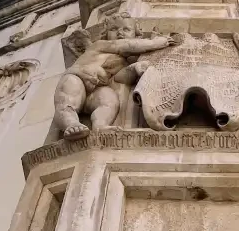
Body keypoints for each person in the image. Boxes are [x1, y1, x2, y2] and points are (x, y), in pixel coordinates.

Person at [54, 13, 173, 141]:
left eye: (126, 29)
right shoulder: (101, 45)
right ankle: (71, 123)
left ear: (136, 34)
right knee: (68, 99)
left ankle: (100, 125)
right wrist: (157, 43)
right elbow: (128, 45)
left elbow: (119, 78)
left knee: (109, 101)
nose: (120, 33)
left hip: (98, 88)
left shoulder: (123, 61)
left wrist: (134, 69)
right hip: (78, 76)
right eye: (114, 29)